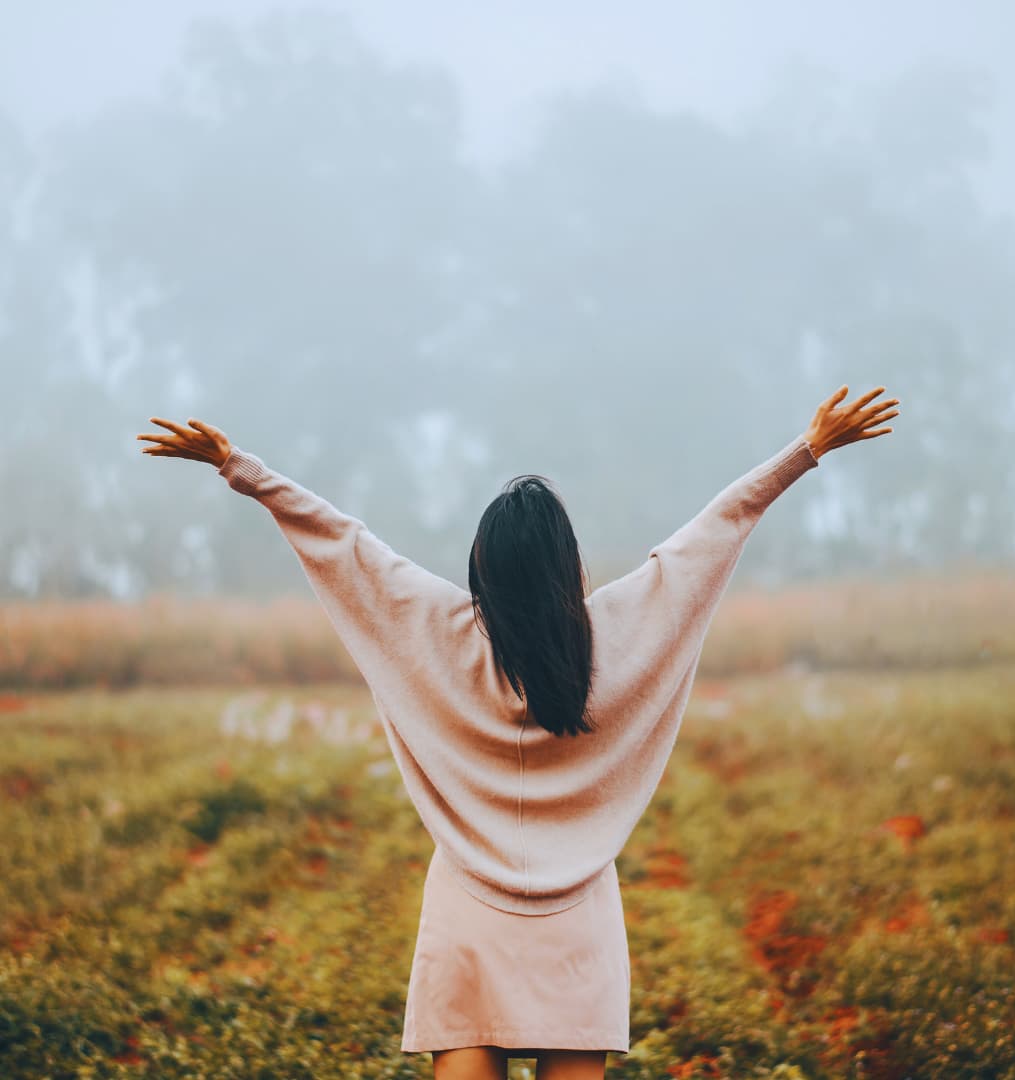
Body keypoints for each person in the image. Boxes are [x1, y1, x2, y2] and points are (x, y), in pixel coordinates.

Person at [137, 384, 898, 1079]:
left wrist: (240, 466)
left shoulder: (437, 630)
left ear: (483, 570)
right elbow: (711, 535)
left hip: (468, 911)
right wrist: (807, 451)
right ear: (568, 565)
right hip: (580, 922)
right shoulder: (617, 634)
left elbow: (343, 542)